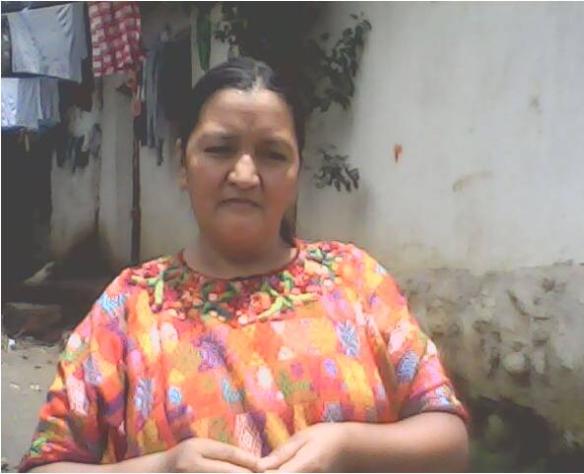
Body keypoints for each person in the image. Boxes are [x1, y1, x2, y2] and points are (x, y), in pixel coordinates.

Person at [19, 57, 469, 473]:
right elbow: (47, 466)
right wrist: (163, 468)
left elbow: (448, 436)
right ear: (182, 163)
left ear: (297, 172)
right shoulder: (128, 307)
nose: (245, 175)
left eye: (273, 154)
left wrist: (348, 445)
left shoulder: (355, 281)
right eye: (220, 149)